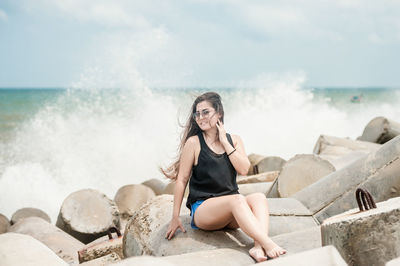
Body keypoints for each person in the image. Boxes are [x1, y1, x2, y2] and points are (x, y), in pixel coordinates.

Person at [162, 92, 286, 262]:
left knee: (258, 197)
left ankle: (258, 247)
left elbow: (243, 169)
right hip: (204, 211)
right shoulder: (194, 143)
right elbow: (182, 180)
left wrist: (224, 142)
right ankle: (269, 244)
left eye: (206, 112)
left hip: (232, 212)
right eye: (197, 114)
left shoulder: (234, 140)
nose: (200, 117)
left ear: (219, 113)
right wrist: (175, 217)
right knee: (236, 199)